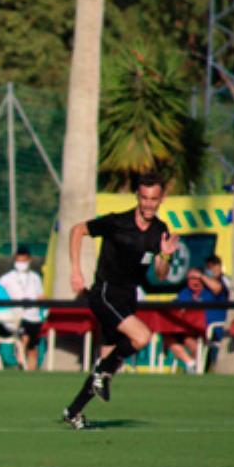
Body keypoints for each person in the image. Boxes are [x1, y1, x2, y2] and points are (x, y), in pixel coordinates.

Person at [61, 172, 179, 429]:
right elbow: (77, 230)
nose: (149, 204)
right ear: (138, 196)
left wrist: (166, 256)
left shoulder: (160, 230)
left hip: (128, 298)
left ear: (161, 200)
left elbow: (160, 274)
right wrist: (75, 270)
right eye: (145, 198)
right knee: (142, 337)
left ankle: (73, 411)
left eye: (154, 199)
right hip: (104, 293)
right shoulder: (118, 222)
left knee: (105, 369)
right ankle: (100, 374)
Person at [0, 245, 45, 370]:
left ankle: (31, 370)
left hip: (34, 316)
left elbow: (40, 295)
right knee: (24, 338)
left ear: (29, 260)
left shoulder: (35, 277)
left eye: (24, 260)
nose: (21, 263)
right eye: (19, 260)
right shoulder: (6, 278)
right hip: (17, 316)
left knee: (33, 347)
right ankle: (19, 362)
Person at [164, 268, 218, 373]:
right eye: (191, 279)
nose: (194, 281)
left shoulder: (210, 292)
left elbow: (217, 288)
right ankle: (191, 364)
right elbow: (175, 308)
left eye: (197, 278)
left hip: (206, 329)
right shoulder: (185, 293)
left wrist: (201, 275)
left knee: (190, 341)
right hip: (186, 328)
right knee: (168, 337)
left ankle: (198, 368)